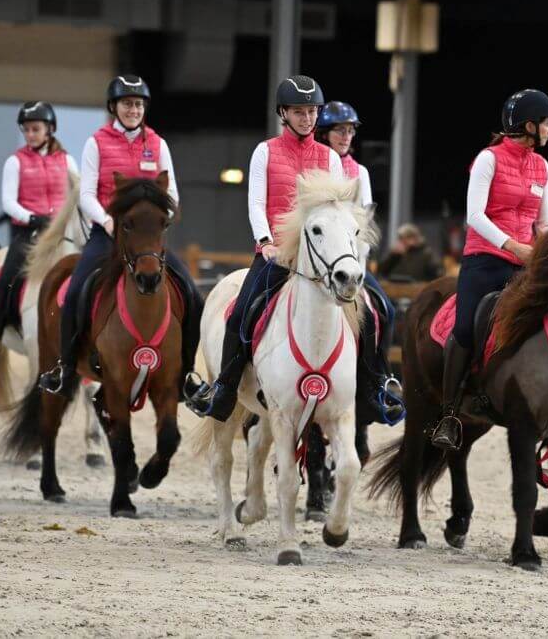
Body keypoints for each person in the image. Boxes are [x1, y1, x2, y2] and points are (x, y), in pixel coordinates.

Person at [187, 76, 404, 425]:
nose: (307, 118)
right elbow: (256, 203)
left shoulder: (330, 158)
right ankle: (224, 389)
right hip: (278, 255)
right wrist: (265, 243)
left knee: (375, 314)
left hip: (325, 260)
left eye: (312, 111)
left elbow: (340, 213)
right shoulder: (265, 151)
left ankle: (376, 386)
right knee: (240, 313)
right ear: (283, 114)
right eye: (299, 111)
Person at [428, 89, 548, 451]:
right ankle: (449, 413)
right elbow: (474, 216)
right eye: (547, 123)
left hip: (529, 261)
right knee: (466, 327)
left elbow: (544, 223)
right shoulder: (488, 159)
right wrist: (512, 247)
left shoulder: (542, 166)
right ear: (529, 125)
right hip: (485, 259)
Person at [38, 75, 203, 399]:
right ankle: (66, 366)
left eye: (138, 104)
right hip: (108, 234)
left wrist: (160, 223)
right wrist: (106, 221)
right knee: (75, 293)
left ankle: (187, 374)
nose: (133, 109)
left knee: (193, 296)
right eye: (127, 104)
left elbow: (172, 194)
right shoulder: (96, 142)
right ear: (114, 107)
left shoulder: (158, 143)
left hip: (147, 240)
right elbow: (86, 193)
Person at [311, 99, 405, 426]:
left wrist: (359, 264)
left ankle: (379, 380)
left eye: (350, 130)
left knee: (386, 311)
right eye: (340, 130)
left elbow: (364, 222)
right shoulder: (313, 165)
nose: (346, 136)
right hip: (316, 260)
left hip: (350, 261)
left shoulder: (359, 172)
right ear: (324, 133)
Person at [0, 102, 78, 363]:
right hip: (28, 232)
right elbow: (8, 201)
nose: (30, 134)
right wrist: (32, 217)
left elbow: (78, 193)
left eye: (36, 129)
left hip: (61, 233)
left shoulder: (67, 161)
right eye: (27, 130)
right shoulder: (15, 161)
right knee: (8, 276)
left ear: (50, 129)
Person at [378, 223, 443, 282]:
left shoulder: (426, 254)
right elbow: (381, 271)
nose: (403, 241)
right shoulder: (395, 254)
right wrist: (393, 256)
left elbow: (437, 274)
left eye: (407, 238)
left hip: (416, 290)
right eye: (401, 238)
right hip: (395, 289)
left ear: (415, 238)